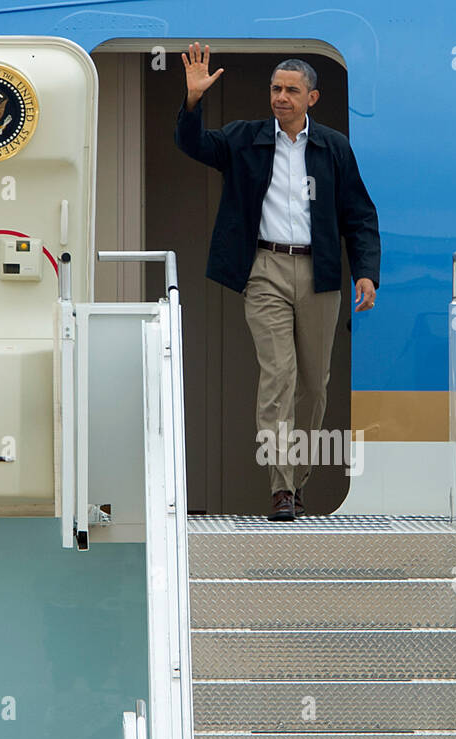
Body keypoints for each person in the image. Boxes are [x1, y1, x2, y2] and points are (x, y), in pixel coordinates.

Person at [174, 42, 380, 521]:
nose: (280, 97)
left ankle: (298, 476)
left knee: (315, 386)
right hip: (264, 269)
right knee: (278, 377)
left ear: (312, 98)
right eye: (275, 88)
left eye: (291, 90)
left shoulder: (333, 147)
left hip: (319, 273)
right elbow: (194, 145)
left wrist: (366, 270)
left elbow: (359, 214)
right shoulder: (245, 139)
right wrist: (191, 102)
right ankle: (281, 487)